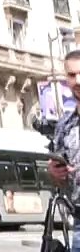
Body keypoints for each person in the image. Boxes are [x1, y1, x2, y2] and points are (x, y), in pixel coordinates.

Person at [46, 49, 80, 251]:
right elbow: (60, 181)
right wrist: (55, 173)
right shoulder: (64, 126)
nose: (78, 80)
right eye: (72, 75)